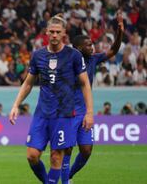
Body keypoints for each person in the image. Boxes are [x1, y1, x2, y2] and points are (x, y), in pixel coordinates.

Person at [9, 14, 94, 184]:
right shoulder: (38, 55)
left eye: (58, 32)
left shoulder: (74, 55)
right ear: (46, 32)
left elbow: (85, 84)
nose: (54, 35)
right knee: (32, 156)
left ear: (64, 33)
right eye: (52, 32)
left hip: (64, 114)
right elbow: (28, 83)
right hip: (42, 113)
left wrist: (89, 112)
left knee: (56, 157)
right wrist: (16, 105)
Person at [61, 11, 124, 184]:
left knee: (86, 150)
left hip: (85, 112)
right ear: (79, 48)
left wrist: (120, 32)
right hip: (69, 111)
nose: (92, 47)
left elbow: (113, 50)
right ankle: (65, 181)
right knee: (67, 149)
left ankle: (70, 175)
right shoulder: (68, 60)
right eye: (88, 45)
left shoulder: (93, 60)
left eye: (92, 44)